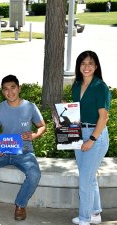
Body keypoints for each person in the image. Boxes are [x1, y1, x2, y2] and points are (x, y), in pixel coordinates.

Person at [0, 75, 46, 221]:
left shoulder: (30, 107)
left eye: (13, 87)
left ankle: (20, 205)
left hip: (25, 151)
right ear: (2, 92)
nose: (10, 92)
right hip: (4, 149)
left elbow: (42, 126)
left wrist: (34, 135)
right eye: (6, 89)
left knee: (34, 174)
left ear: (19, 88)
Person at [71, 51, 111, 225]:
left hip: (96, 135)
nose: (86, 67)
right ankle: (95, 213)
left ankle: (85, 219)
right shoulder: (77, 85)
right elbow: (77, 111)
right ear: (79, 66)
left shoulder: (100, 87)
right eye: (83, 63)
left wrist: (91, 140)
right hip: (78, 133)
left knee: (85, 180)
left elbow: (103, 117)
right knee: (89, 177)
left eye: (90, 63)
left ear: (96, 66)